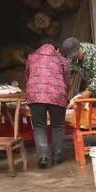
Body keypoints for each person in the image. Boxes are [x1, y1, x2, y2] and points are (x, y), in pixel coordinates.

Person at [25, 40, 71, 168]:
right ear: (56, 49)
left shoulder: (31, 57)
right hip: (57, 96)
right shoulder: (62, 60)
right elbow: (67, 79)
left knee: (39, 126)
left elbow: (27, 76)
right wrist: (65, 92)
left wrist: (30, 90)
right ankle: (57, 156)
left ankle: (43, 157)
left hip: (35, 95)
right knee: (58, 125)